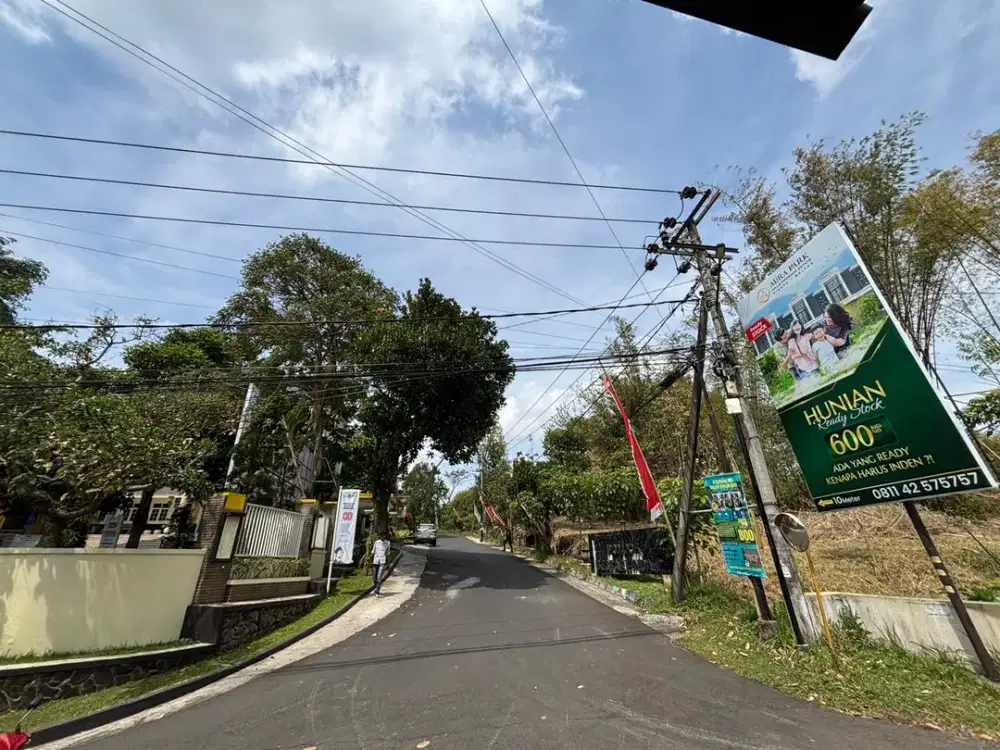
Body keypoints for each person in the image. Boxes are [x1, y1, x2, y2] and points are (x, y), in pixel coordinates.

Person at [372, 531, 390, 596]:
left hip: (382, 561)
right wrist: (369, 560)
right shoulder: (377, 542)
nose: (382, 536)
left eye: (384, 535)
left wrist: (388, 563)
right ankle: (375, 586)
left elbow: (387, 553)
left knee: (379, 576)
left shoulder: (387, 543)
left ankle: (377, 590)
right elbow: (373, 551)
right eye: (381, 535)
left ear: (385, 536)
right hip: (375, 561)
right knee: (374, 577)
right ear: (380, 536)